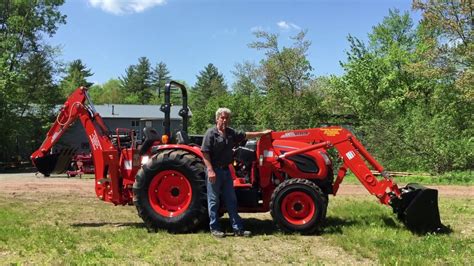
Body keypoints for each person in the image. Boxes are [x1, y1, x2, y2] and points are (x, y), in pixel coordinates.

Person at [201, 107, 271, 238]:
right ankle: (215, 228)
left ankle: (237, 229)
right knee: (213, 200)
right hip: (214, 171)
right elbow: (205, 153)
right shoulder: (210, 133)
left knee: (231, 200)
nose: (225, 120)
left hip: (227, 171)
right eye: (222, 117)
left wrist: (262, 133)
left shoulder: (230, 132)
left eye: (227, 118)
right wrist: (210, 170)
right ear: (217, 119)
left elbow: (246, 135)